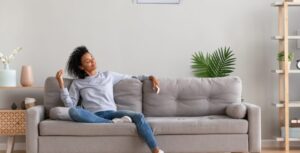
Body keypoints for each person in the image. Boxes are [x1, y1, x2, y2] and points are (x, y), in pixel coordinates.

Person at [55, 46, 164, 153]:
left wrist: (150, 77)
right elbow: (70, 106)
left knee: (139, 116)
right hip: (94, 116)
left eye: (92, 58)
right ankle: (112, 123)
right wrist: (61, 83)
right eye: (88, 61)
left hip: (113, 113)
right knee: (73, 111)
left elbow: (133, 77)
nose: (93, 61)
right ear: (81, 67)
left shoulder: (108, 75)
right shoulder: (77, 83)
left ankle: (155, 150)